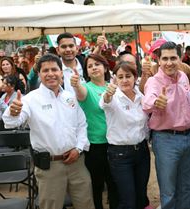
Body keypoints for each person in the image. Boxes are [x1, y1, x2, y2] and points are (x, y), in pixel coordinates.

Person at [2, 54, 95, 209]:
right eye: (45, 70)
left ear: (61, 72)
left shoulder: (69, 97)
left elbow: (82, 125)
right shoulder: (30, 100)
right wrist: (13, 112)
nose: (51, 74)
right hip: (50, 167)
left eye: (54, 69)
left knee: (86, 204)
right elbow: (12, 123)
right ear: (39, 74)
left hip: (77, 163)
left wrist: (78, 149)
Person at [142, 41, 190, 209]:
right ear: (159, 60)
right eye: (165, 59)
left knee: (186, 187)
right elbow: (147, 102)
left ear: (179, 59)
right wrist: (157, 102)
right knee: (168, 191)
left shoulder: (184, 77)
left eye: (173, 58)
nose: (169, 62)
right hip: (166, 140)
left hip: (187, 138)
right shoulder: (154, 81)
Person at [99, 61, 151, 209]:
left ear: (135, 77)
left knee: (141, 195)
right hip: (120, 155)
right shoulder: (112, 96)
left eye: (128, 76)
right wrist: (108, 94)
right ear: (115, 79)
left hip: (142, 151)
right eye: (120, 76)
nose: (124, 80)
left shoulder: (140, 96)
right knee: (128, 199)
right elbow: (104, 102)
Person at [70, 53, 118, 209]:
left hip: (115, 144)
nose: (93, 68)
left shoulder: (112, 87)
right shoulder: (86, 88)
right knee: (96, 186)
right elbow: (81, 94)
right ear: (86, 72)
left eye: (97, 64)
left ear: (105, 67)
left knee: (114, 184)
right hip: (95, 145)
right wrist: (76, 85)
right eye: (89, 66)